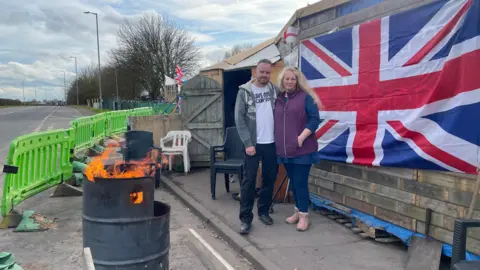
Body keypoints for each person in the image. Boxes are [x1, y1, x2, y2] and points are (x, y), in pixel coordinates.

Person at [234, 59, 280, 235]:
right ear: (255, 72)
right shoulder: (244, 92)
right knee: (249, 181)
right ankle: (245, 219)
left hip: (271, 143)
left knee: (269, 178)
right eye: (262, 72)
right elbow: (239, 119)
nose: (264, 75)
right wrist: (248, 143)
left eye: (268, 73)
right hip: (253, 145)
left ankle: (263, 211)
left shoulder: (274, 90)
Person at [273, 67, 322, 231]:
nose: (289, 81)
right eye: (286, 79)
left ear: (297, 81)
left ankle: (304, 216)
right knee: (293, 182)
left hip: (302, 150)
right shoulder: (279, 98)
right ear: (282, 81)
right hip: (285, 150)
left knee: (300, 183)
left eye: (292, 79)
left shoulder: (305, 98)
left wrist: (301, 137)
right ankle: (297, 211)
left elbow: (314, 120)